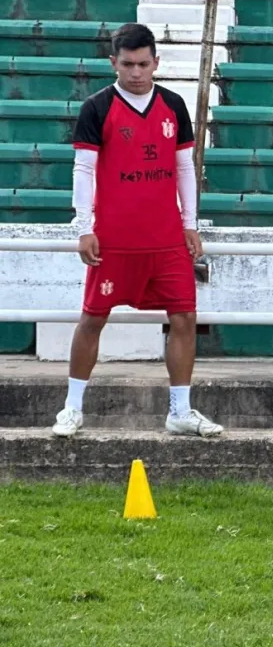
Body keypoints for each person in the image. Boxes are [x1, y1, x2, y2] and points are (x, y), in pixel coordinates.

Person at [51, 23, 223, 438]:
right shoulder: (97, 107)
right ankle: (72, 408)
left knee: (184, 316)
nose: (136, 72)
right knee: (93, 318)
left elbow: (185, 167)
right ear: (114, 63)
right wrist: (84, 227)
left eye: (144, 64)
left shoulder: (173, 105)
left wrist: (189, 223)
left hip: (165, 236)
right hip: (115, 238)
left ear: (156, 63)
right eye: (127, 64)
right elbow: (84, 169)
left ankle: (180, 410)